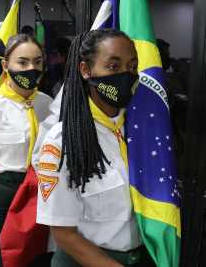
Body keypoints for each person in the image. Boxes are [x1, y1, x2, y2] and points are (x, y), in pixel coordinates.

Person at [35, 29, 155, 267]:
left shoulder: (143, 133)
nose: (125, 75)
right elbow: (63, 233)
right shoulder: (63, 141)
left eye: (132, 67)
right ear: (86, 70)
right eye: (113, 67)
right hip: (85, 260)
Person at [0, 34, 52, 267]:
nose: (31, 68)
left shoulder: (47, 104)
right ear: (6, 66)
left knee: (37, 259)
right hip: (6, 196)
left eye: (37, 62)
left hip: (41, 194)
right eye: (22, 62)